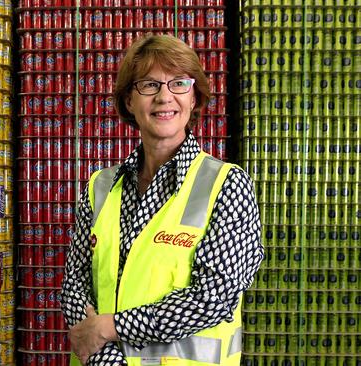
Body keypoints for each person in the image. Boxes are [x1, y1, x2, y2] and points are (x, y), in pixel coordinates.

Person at [61, 34, 264, 366]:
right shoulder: (101, 186)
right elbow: (74, 284)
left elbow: (211, 299)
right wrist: (108, 360)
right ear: (129, 101)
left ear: (195, 97)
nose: (164, 97)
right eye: (149, 85)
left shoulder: (227, 185)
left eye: (179, 84)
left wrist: (110, 328)